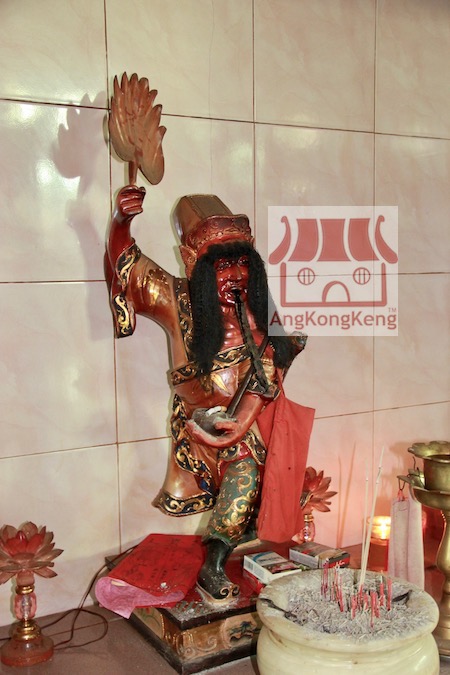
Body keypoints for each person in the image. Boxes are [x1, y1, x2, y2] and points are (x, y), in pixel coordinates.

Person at [105, 184, 306, 602]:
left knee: (262, 480)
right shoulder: (176, 298)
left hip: (256, 423)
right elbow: (128, 266)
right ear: (193, 261)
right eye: (222, 266)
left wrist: (246, 415)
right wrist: (122, 222)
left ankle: (230, 552)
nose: (235, 276)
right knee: (244, 474)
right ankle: (214, 564)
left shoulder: (260, 307)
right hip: (202, 425)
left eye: (242, 263)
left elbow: (278, 360)